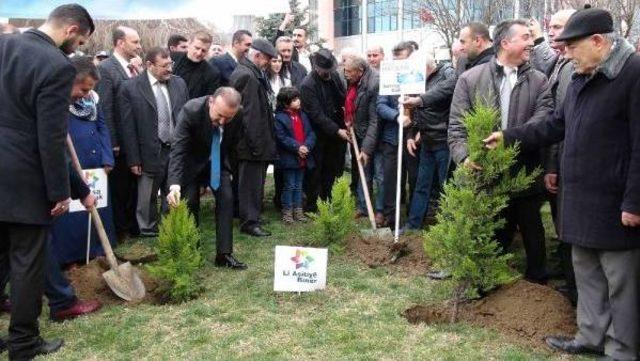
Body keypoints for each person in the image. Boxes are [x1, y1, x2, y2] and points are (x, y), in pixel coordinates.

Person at [484, 9, 640, 360]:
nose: (565, 53)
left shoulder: (633, 75)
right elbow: (555, 124)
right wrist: (509, 136)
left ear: (598, 41)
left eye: (572, 46)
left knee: (621, 284)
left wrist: (634, 202)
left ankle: (621, 349)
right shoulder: (583, 75)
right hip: (581, 201)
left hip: (616, 205)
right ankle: (590, 336)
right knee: (587, 274)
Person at [0, 4, 94, 358]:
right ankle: (24, 342)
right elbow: (51, 137)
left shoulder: (3, 45)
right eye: (80, 40)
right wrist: (59, 192)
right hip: (24, 177)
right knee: (27, 262)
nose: (78, 48)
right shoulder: (56, 65)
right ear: (71, 30)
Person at [0, 56, 105, 324]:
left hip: (10, 183)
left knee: (7, 245)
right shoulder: (48, 101)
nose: (84, 96)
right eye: (83, 89)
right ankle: (62, 302)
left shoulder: (19, 90)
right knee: (36, 245)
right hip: (22, 186)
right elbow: (54, 153)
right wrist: (76, 191)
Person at [448, 19, 553, 283]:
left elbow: (543, 121)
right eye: (526, 37)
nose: (532, 42)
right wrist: (464, 157)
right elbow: (457, 127)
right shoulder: (470, 79)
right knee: (494, 232)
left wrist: (509, 141)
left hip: (526, 171)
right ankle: (488, 284)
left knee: (533, 233)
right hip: (486, 174)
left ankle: (537, 286)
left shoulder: (539, 81)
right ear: (505, 43)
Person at [167, 87, 247, 269]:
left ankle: (224, 254)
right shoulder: (191, 110)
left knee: (227, 199)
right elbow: (178, 150)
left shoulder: (238, 114)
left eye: (228, 118)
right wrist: (174, 185)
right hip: (191, 163)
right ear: (211, 101)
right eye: (219, 116)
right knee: (190, 202)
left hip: (217, 161)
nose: (222, 121)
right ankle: (192, 251)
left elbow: (233, 144)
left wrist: (231, 169)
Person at [51, 56, 116, 264]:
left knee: (96, 207)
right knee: (74, 213)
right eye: (84, 89)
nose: (86, 95)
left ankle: (97, 252)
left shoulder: (92, 99)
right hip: (72, 163)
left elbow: (102, 126)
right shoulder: (57, 103)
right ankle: (70, 257)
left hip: (95, 161)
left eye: (90, 90)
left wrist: (107, 156)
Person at [119, 47, 189, 237]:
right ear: (149, 65)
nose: (169, 69)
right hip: (147, 150)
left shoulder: (179, 84)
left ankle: (169, 225)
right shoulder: (130, 88)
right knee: (147, 195)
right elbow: (128, 127)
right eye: (164, 65)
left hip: (174, 149)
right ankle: (148, 229)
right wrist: (133, 159)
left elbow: (185, 117)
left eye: (171, 64)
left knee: (172, 188)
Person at [538, 8, 578, 303]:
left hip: (568, 163)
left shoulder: (573, 67)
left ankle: (575, 290)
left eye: (559, 27)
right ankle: (569, 280)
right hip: (557, 161)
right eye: (550, 28)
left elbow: (560, 123)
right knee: (561, 224)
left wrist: (553, 165)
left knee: (569, 228)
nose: (552, 33)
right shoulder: (559, 61)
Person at [95, 26, 142, 242]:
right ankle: (121, 228)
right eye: (135, 42)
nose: (139, 46)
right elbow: (105, 107)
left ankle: (132, 224)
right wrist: (112, 141)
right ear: (120, 43)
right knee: (120, 187)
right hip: (120, 142)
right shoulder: (106, 69)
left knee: (132, 186)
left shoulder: (133, 69)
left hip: (135, 139)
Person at [401, 53, 457, 232]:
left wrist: (420, 100)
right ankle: (413, 224)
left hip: (444, 140)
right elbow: (414, 112)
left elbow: (448, 87)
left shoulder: (447, 72)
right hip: (426, 140)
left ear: (426, 67)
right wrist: (410, 134)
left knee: (446, 186)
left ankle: (450, 227)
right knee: (421, 185)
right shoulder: (417, 81)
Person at [229, 39, 278, 237]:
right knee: (250, 183)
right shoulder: (247, 75)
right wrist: (257, 145)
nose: (267, 63)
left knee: (253, 183)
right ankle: (249, 222)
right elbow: (249, 115)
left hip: (254, 142)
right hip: (250, 144)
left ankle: (252, 215)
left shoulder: (250, 72)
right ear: (257, 56)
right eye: (266, 59)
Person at [300, 49, 348, 211]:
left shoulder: (334, 76)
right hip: (318, 133)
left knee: (332, 168)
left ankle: (328, 199)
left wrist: (347, 116)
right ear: (316, 68)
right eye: (324, 71)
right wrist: (337, 130)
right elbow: (316, 115)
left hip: (336, 129)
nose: (327, 74)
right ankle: (312, 205)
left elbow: (342, 96)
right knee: (316, 170)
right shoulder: (307, 85)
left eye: (329, 70)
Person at [376, 42, 415, 227]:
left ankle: (413, 219)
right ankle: (392, 219)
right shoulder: (388, 78)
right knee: (391, 180)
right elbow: (381, 105)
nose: (398, 65)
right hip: (392, 138)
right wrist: (397, 116)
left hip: (414, 138)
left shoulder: (418, 77)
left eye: (402, 60)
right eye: (396, 60)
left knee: (414, 179)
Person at [272, 36, 309, 209]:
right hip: (277, 121)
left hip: (296, 118)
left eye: (289, 51)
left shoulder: (300, 69)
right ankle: (282, 200)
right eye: (282, 51)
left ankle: (296, 202)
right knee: (282, 163)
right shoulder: (270, 69)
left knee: (297, 164)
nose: (286, 54)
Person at [343, 56, 380, 219]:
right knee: (363, 171)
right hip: (359, 131)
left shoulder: (374, 84)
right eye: (345, 70)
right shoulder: (354, 81)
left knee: (379, 174)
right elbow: (353, 105)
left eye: (349, 71)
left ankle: (379, 211)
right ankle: (362, 206)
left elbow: (375, 120)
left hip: (374, 135)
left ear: (360, 71)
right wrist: (350, 121)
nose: (346, 74)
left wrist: (366, 148)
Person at [274, 87, 316, 223]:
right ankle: (287, 212)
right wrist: (297, 147)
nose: (298, 102)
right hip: (289, 159)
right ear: (286, 103)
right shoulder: (280, 118)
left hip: (303, 157)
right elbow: (281, 137)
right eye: (294, 100)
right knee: (289, 185)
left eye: (298, 99)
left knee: (298, 185)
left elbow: (310, 133)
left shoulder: (303, 115)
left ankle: (298, 211)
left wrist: (307, 146)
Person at [172, 30, 221, 100]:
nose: (199, 53)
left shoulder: (212, 74)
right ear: (189, 44)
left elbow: (207, 102)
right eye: (197, 48)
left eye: (203, 50)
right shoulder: (172, 59)